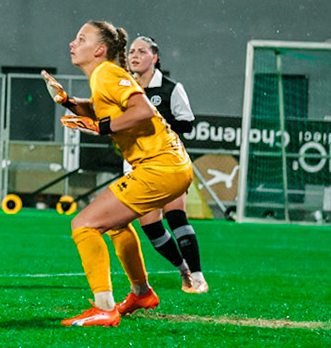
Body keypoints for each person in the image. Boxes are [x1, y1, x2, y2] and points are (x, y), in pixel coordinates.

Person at [43, 20, 195, 327]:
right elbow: (100, 110)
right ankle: (141, 293)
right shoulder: (106, 76)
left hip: (160, 167)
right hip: (168, 166)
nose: (73, 43)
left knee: (84, 225)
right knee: (115, 225)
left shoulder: (107, 74)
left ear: (99, 50)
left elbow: (144, 111)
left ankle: (104, 308)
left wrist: (102, 128)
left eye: (81, 39)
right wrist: (68, 101)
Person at [124, 35, 209, 293]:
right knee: (150, 226)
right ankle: (183, 270)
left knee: (175, 215)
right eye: (132, 51)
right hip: (138, 165)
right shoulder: (124, 88)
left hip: (167, 161)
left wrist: (157, 122)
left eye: (142, 51)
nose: (135, 55)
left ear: (155, 57)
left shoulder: (170, 88)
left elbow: (188, 123)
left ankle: (198, 276)